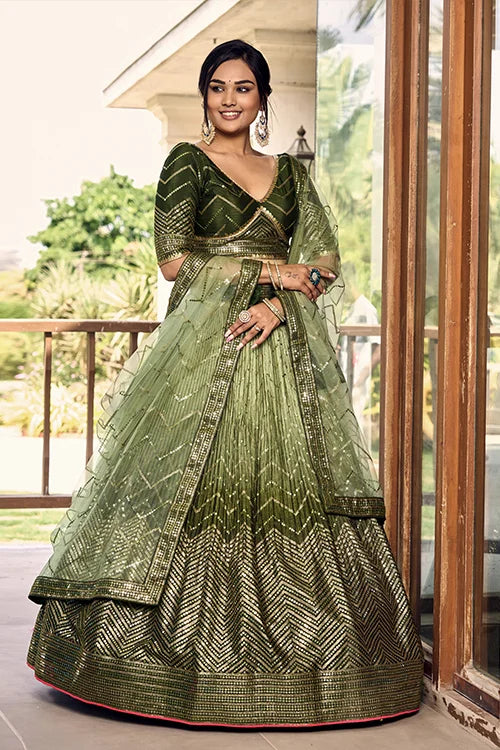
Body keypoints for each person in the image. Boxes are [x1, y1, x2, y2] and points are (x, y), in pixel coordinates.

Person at [26, 39, 424, 728]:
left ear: (263, 98)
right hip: (204, 351)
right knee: (192, 483)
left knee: (288, 489)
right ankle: (165, 666)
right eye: (218, 87)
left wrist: (280, 305)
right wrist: (273, 272)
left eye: (243, 88)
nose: (230, 99)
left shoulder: (290, 176)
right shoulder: (187, 162)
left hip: (279, 351)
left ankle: (317, 667)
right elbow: (175, 262)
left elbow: (324, 263)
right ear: (206, 97)